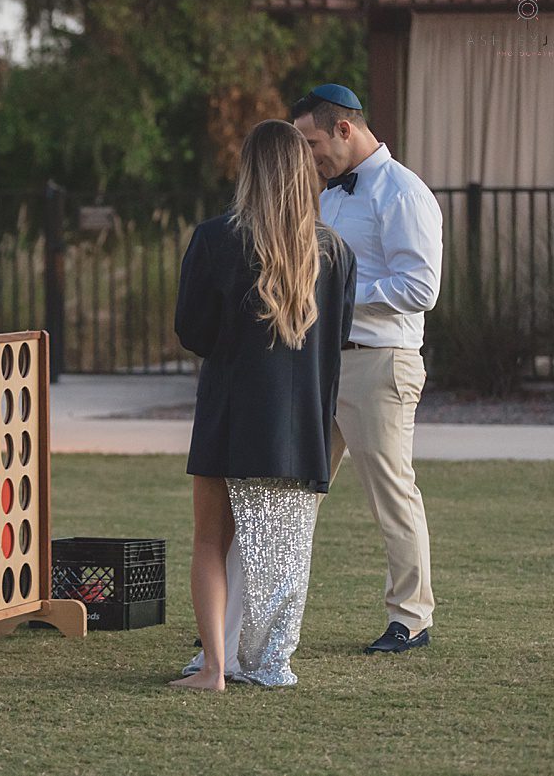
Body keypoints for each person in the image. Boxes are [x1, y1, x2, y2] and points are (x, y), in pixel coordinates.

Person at [170, 119, 356, 690]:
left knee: (210, 541)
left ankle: (215, 668)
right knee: (285, 553)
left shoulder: (216, 239)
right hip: (301, 425)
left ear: (250, 171)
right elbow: (338, 340)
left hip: (231, 412)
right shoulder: (337, 253)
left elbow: (191, 330)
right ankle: (269, 659)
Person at [292, 84, 442, 654]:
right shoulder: (329, 196)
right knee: (295, 489)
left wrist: (340, 296)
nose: (308, 156)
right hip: (323, 362)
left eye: (311, 143)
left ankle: (412, 618)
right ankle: (272, 615)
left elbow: (421, 287)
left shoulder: (403, 193)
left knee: (391, 494)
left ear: (344, 129)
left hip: (380, 366)